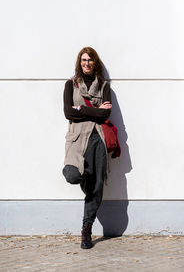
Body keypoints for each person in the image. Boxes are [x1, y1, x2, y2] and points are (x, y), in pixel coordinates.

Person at [63, 46, 112, 249]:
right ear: (79, 62)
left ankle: (86, 229)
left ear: (95, 62)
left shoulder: (103, 85)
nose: (86, 63)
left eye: (90, 60)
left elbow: (105, 115)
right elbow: (68, 113)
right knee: (73, 175)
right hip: (76, 139)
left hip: (97, 138)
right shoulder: (70, 84)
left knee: (97, 185)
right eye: (83, 60)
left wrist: (81, 109)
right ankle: (86, 183)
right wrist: (92, 110)